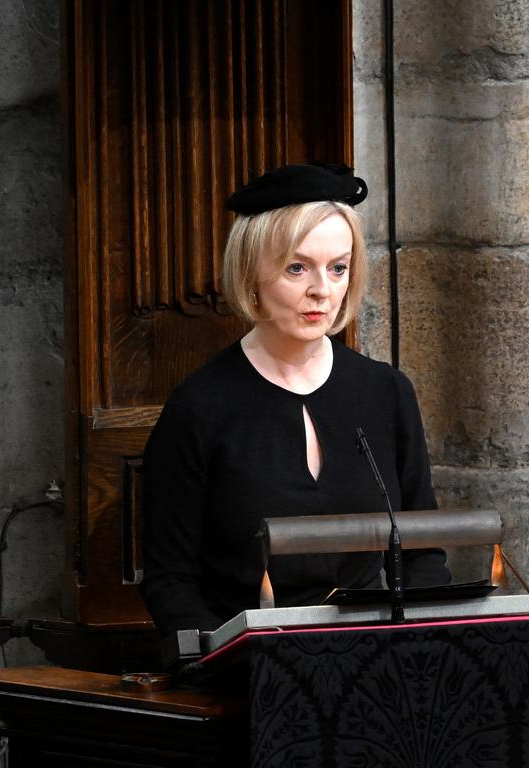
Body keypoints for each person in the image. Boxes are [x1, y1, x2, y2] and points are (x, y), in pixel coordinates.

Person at [141, 163, 449, 634]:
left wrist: (414, 647)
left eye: (338, 268)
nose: (321, 291)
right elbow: (171, 584)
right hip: (249, 671)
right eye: (297, 267)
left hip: (375, 660)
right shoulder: (199, 408)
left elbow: (423, 553)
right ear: (251, 271)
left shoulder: (387, 393)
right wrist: (240, 664)